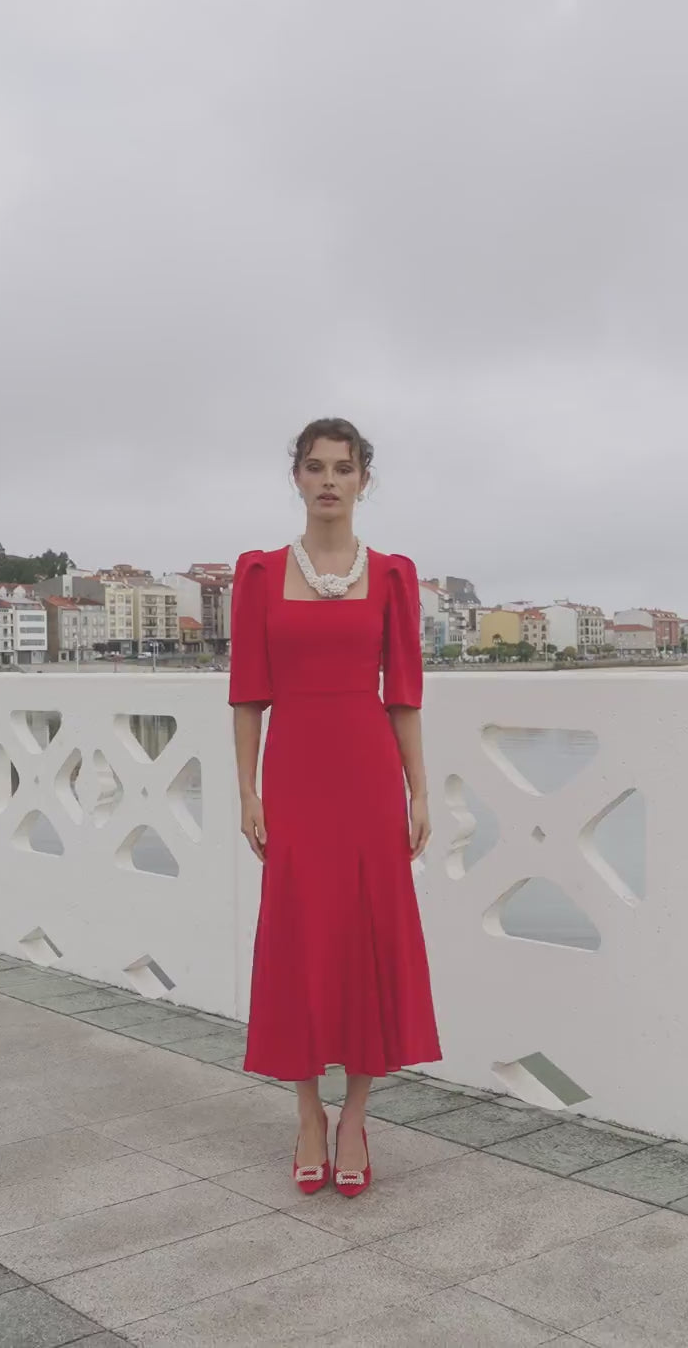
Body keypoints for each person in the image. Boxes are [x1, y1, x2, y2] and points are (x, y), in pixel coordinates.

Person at [229, 417, 441, 1197]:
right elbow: (248, 693)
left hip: (366, 774)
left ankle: (354, 1114)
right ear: (296, 477)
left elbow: (405, 697)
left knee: (365, 939)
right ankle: (306, 1113)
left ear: (362, 481)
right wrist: (247, 789)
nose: (328, 480)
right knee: (298, 936)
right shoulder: (257, 574)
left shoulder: (391, 576)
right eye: (315, 467)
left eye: (342, 469)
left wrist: (419, 791)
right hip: (293, 776)